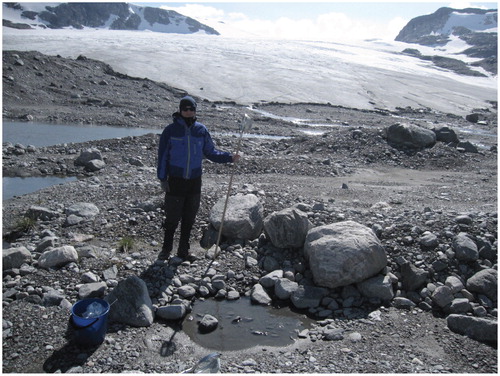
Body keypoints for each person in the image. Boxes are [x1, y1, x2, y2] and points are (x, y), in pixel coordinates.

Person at [157, 96, 240, 261]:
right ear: (180, 110)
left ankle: (183, 250)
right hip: (175, 180)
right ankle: (166, 249)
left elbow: (211, 152)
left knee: (189, 218)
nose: (188, 112)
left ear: (195, 110)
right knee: (172, 218)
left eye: (191, 109)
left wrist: (230, 157)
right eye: (185, 109)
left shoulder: (201, 130)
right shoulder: (170, 131)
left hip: (195, 181)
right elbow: (162, 156)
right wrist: (162, 178)